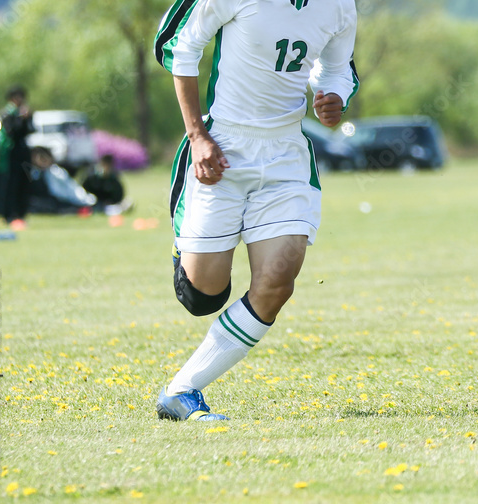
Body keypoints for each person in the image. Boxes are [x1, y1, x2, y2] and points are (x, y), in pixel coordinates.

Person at [153, 0, 359, 421]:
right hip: (223, 145)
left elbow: (339, 68)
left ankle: (182, 390)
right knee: (201, 297)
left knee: (277, 282)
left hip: (286, 155)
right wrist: (197, 137)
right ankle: (187, 249)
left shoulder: (339, 4)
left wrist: (334, 96)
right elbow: (177, 44)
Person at [0, 85, 35, 230]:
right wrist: (20, 119)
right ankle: (9, 215)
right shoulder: (6, 114)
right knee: (10, 185)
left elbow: (31, 130)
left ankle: (21, 214)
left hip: (24, 153)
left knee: (24, 183)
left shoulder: (25, 114)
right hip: (11, 154)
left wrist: (27, 119)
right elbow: (11, 132)